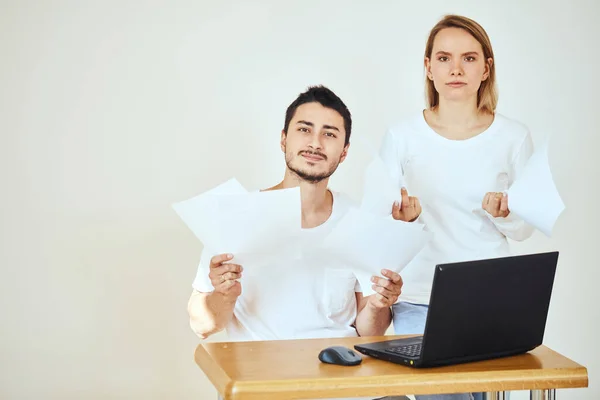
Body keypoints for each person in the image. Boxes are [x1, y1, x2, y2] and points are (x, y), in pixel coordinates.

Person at [187, 85, 409, 400]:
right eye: (304, 129)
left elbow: (371, 331)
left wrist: (378, 303)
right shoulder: (236, 216)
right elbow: (202, 324)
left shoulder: (360, 222)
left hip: (345, 387)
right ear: (283, 139)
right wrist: (224, 295)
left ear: (344, 152)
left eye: (329, 134)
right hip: (264, 387)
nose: (315, 143)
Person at [380, 14, 535, 400]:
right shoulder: (401, 137)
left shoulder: (513, 137)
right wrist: (403, 220)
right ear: (428, 68)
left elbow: (526, 226)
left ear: (486, 68)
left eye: (468, 58)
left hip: (490, 295)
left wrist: (507, 214)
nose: (456, 68)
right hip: (419, 296)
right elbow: (379, 225)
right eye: (444, 57)